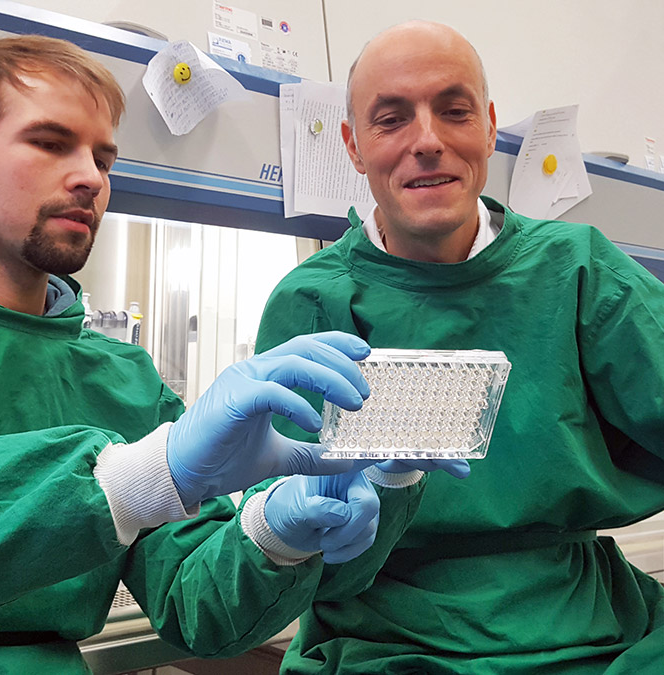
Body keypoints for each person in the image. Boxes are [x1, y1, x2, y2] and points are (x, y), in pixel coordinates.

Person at [0, 35, 467, 674]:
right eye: (50, 143)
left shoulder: (123, 379)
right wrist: (124, 478)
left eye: (103, 158)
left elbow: (199, 607)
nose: (91, 178)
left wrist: (272, 532)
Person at [255, 19, 664, 675]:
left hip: (588, 638)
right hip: (375, 647)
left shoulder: (580, 273)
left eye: (454, 110)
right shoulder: (312, 304)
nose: (428, 141)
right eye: (391, 120)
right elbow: (282, 546)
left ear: (490, 125)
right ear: (353, 146)